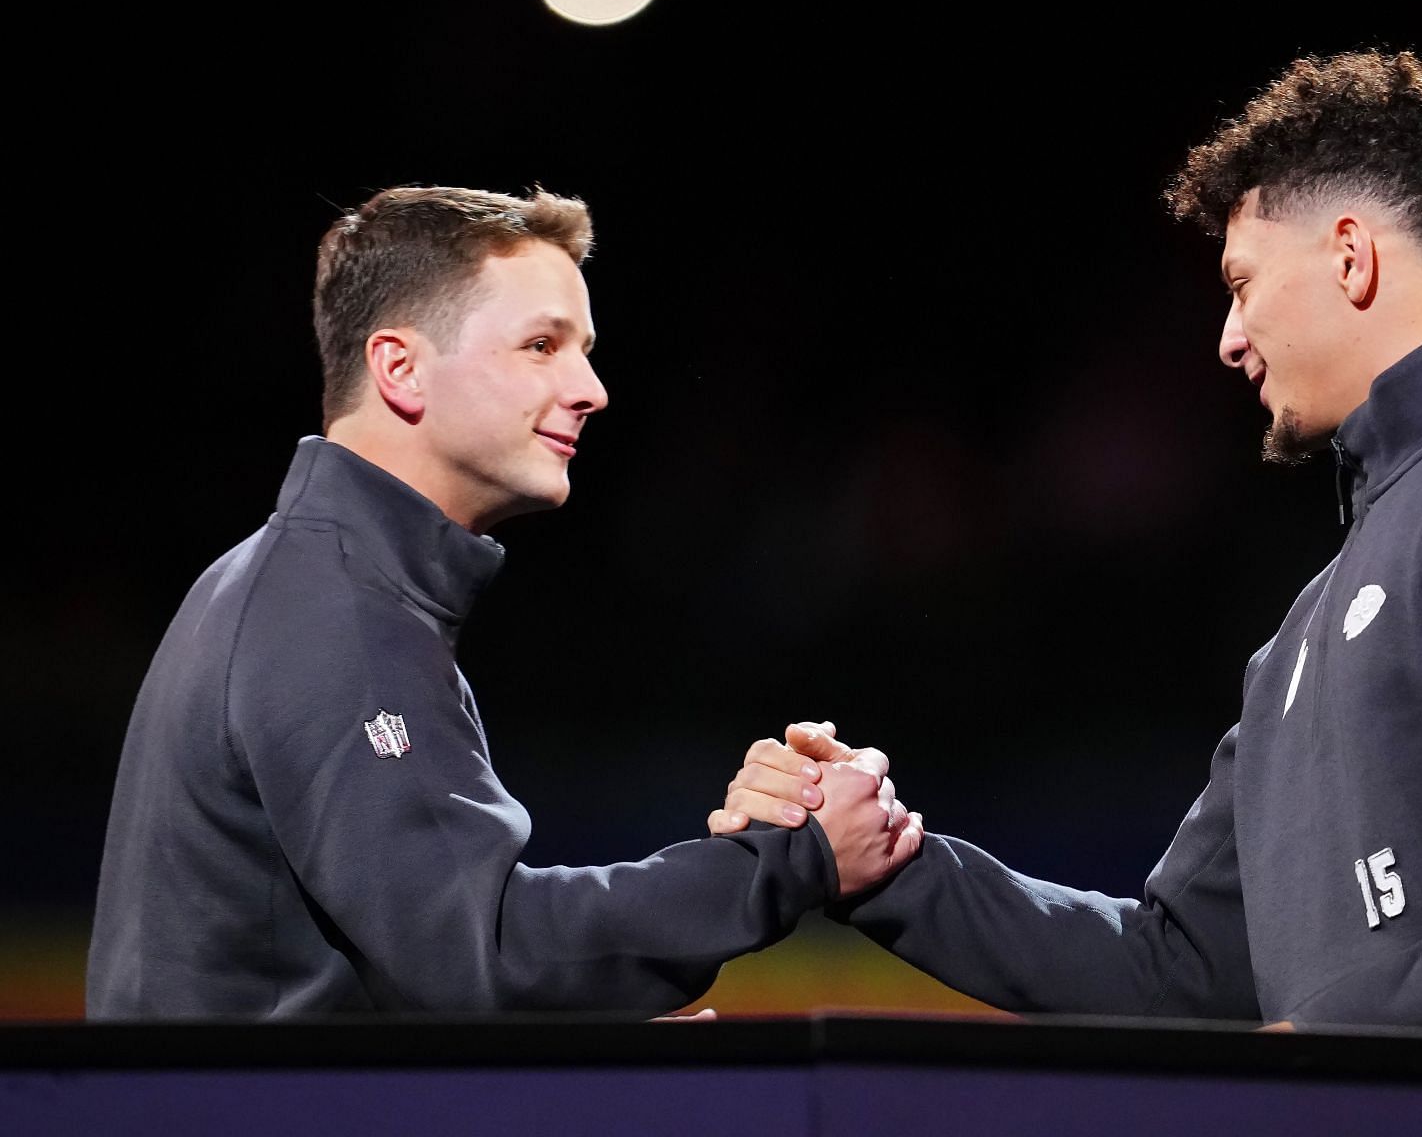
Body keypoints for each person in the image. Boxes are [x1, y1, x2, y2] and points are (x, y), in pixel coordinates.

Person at [712, 53, 1422, 1041]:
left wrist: (1340, 1037)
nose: (1228, 337)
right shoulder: (1311, 626)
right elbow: (1178, 968)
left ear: (1351, 255)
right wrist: (889, 866)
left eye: (1243, 283)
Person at [87, 186, 922, 1017]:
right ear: (400, 368)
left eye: (584, 348)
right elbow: (490, 956)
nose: (590, 388)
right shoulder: (335, 612)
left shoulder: (306, 582)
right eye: (541, 345)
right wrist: (792, 858)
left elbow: (415, 979)